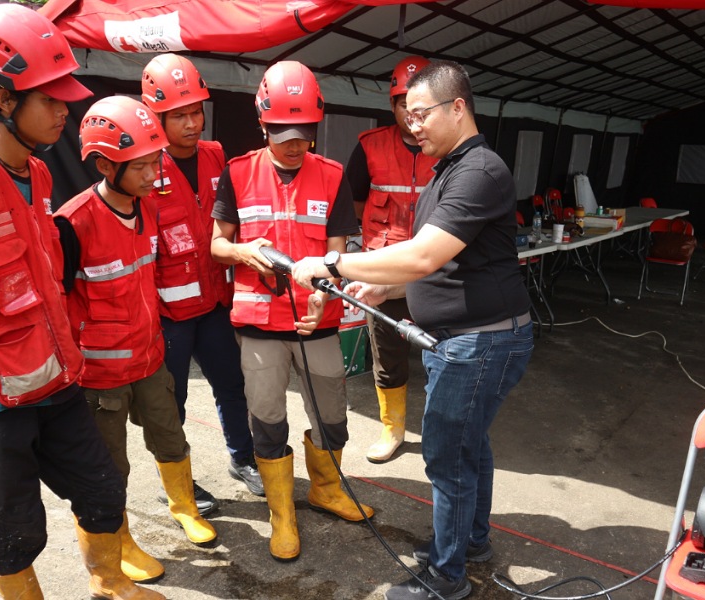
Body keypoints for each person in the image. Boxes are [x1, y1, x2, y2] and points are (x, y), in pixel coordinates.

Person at [0, 5, 163, 599]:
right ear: (3, 99)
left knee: (101, 490)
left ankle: (108, 584)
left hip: (53, 378)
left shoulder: (41, 176)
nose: (64, 111)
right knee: (16, 528)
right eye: (49, 99)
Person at [291, 60, 533, 600]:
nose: (411, 123)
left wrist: (332, 266)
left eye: (421, 113)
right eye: (405, 111)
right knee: (470, 447)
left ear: (457, 108)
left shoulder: (479, 171)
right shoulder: (449, 169)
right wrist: (385, 290)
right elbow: (444, 264)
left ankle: (447, 578)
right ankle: (470, 542)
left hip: (481, 342)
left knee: (448, 456)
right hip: (469, 337)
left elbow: (423, 256)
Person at [210, 61, 375, 563]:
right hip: (260, 327)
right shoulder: (237, 173)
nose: (294, 144)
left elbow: (336, 253)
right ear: (262, 124)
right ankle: (282, 512)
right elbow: (217, 245)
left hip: (316, 323)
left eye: (304, 133)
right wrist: (242, 252)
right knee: (267, 418)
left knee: (332, 417)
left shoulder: (332, 176)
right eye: (283, 134)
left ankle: (325, 489)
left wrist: (326, 289)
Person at [54, 96, 219, 584]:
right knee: (110, 468)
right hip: (101, 375)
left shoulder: (145, 210)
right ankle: (119, 540)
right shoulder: (72, 225)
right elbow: (58, 306)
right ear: (105, 164)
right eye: (143, 166)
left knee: (171, 438)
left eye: (156, 162)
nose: (154, 175)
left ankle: (183, 506)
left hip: (150, 361)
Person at [140, 53, 263, 504]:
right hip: (170, 314)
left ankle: (243, 457)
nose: (193, 123)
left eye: (196, 111)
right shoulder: (143, 168)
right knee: (170, 404)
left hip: (214, 303)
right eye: (179, 115)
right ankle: (179, 485)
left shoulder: (216, 156)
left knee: (233, 385)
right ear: (156, 116)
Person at [345, 55, 438, 463]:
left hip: (436, 270)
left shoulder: (450, 149)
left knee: (443, 352)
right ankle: (392, 430)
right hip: (383, 270)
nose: (411, 113)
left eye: (419, 104)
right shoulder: (369, 147)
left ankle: (439, 430)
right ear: (392, 105)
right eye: (403, 103)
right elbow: (357, 201)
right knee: (387, 353)